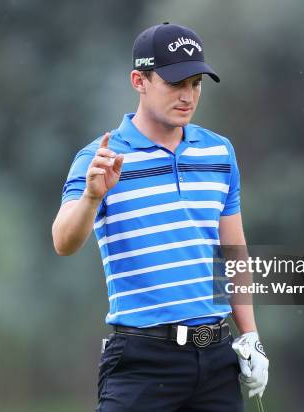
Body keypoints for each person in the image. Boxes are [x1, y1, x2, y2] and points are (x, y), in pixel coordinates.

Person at [52, 22, 268, 411]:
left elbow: (233, 254)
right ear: (139, 80)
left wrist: (250, 336)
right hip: (142, 361)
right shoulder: (99, 158)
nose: (188, 96)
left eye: (196, 84)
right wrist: (90, 197)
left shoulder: (219, 153)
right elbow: (63, 242)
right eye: (175, 84)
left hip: (217, 359)